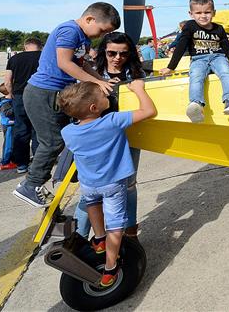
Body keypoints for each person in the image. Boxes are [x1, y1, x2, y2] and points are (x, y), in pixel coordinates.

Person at [13, 2, 121, 209]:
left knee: (67, 136)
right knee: (52, 141)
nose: (100, 36)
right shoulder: (69, 30)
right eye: (102, 30)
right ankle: (30, 185)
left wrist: (102, 79)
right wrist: (97, 83)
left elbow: (82, 64)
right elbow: (64, 63)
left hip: (57, 94)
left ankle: (66, 173)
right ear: (90, 19)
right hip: (43, 93)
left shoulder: (83, 37)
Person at [58, 79, 156, 288]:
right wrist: (138, 89)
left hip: (88, 184)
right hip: (112, 185)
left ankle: (99, 238)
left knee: (92, 204)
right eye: (103, 96)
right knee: (116, 224)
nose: (107, 97)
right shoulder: (112, 121)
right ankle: (110, 267)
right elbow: (149, 111)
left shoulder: (68, 132)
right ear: (94, 108)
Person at [66, 32, 146, 239]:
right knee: (90, 191)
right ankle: (78, 238)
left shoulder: (137, 74)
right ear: (104, 52)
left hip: (127, 139)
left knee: (128, 185)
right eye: (112, 53)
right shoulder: (90, 74)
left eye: (123, 53)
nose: (117, 58)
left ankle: (129, 232)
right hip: (95, 143)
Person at [160, 0, 229, 123]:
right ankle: (196, 105)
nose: (203, 16)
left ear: (214, 12)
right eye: (198, 13)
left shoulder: (219, 29)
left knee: (226, 72)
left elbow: (228, 49)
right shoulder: (190, 26)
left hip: (218, 57)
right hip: (198, 58)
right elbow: (181, 46)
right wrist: (170, 67)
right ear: (191, 14)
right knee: (196, 76)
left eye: (207, 12)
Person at [5, 37, 43, 173]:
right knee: (38, 129)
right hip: (40, 95)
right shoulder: (45, 56)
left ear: (25, 46)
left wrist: (11, 94)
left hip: (20, 96)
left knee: (21, 128)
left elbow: (8, 81)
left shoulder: (14, 59)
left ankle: (22, 163)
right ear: (40, 46)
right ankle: (38, 162)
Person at [0, 83, 17, 170]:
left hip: (11, 124)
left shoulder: (8, 101)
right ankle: (5, 162)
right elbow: (7, 113)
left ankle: (11, 159)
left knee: (13, 143)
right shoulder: (5, 103)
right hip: (9, 125)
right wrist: (16, 107)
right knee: (9, 144)